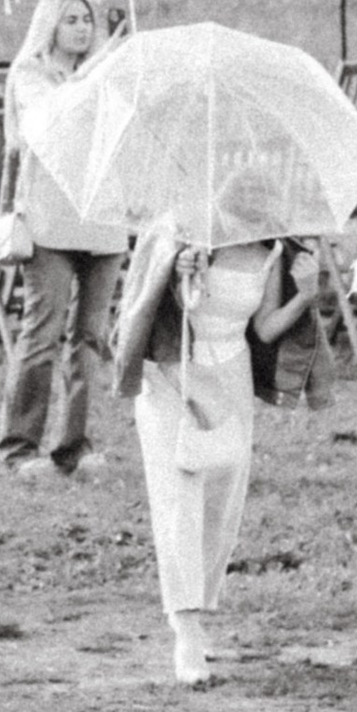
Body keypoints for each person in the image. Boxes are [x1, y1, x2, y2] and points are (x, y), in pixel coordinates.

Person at [110, 220, 274, 687]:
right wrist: (175, 271)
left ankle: (198, 608)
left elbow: (268, 324)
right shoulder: (172, 226)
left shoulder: (272, 242)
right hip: (171, 367)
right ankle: (184, 625)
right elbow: (141, 303)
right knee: (178, 496)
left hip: (232, 369)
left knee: (223, 497)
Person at [0, 0, 123, 480]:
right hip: (51, 218)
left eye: (87, 19)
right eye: (70, 20)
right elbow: (52, 121)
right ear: (50, 25)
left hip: (102, 215)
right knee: (42, 331)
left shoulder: (105, 74)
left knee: (90, 336)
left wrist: (117, 68)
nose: (82, 28)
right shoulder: (31, 74)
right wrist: (100, 67)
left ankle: (74, 444)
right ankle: (19, 445)